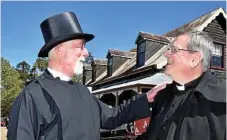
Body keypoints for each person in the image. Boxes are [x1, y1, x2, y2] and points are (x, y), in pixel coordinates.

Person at [7, 11, 168, 140]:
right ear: (60, 49)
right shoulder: (32, 96)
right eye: (80, 46)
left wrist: (146, 98)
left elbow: (113, 116)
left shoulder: (82, 91)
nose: (86, 53)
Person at [145, 31, 226, 140]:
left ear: (194, 59)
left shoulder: (223, 98)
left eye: (174, 50)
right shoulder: (161, 96)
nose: (166, 54)